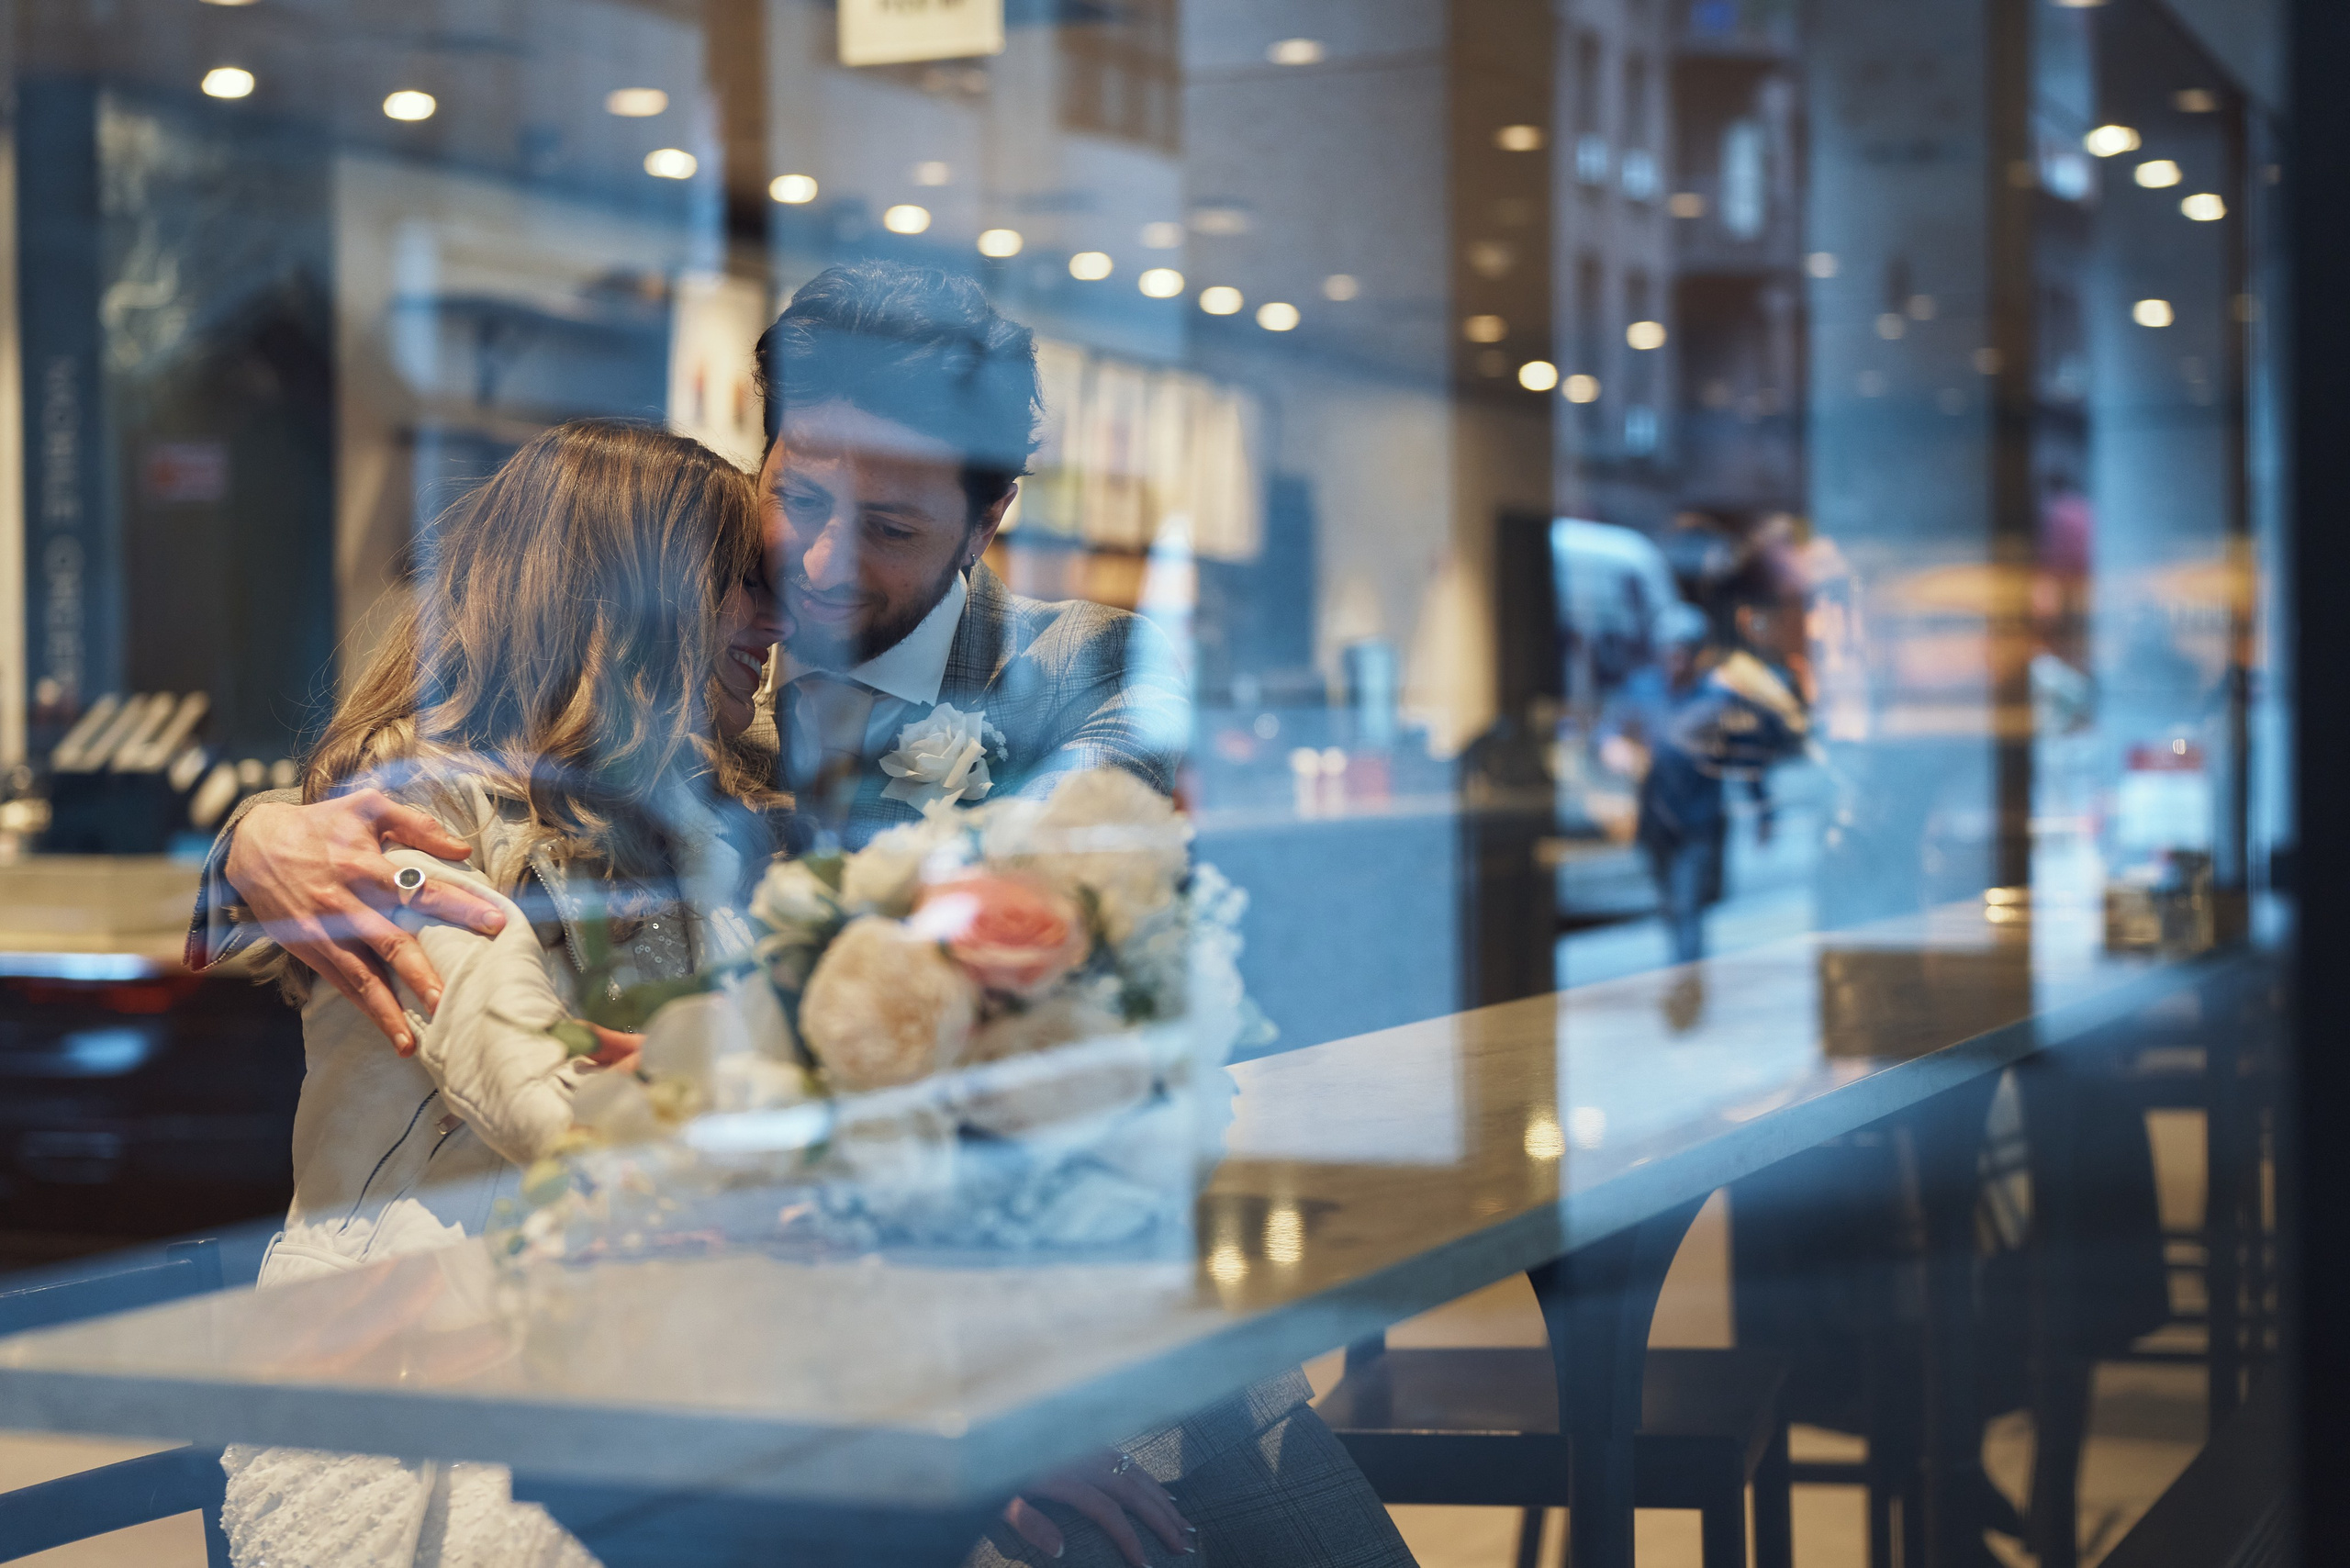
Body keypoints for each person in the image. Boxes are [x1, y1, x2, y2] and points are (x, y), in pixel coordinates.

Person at [190, 263, 1411, 1568]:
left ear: (985, 517)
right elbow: (475, 910)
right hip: (739, 1330)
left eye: (888, 526)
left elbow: (1053, 968)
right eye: (799, 505)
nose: (816, 573)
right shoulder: (681, 723)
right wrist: (251, 845)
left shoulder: (1085, 676)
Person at [219, 419, 788, 1566]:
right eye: (746, 586)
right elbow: (523, 1077)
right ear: (640, 592)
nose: (779, 623)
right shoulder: (412, 804)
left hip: (604, 1341)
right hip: (402, 1380)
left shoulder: (686, 798)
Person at [1598, 601, 1807, 971]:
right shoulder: (1642, 690)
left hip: (1698, 823)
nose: (1676, 659)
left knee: (1687, 903)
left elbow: (1747, 760)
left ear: (1697, 655)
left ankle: (1686, 979)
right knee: (1669, 903)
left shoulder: (1716, 700)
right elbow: (1608, 728)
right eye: (1670, 651)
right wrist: (1612, 746)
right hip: (1655, 822)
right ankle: (1683, 971)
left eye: (1684, 652)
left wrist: (1764, 812)